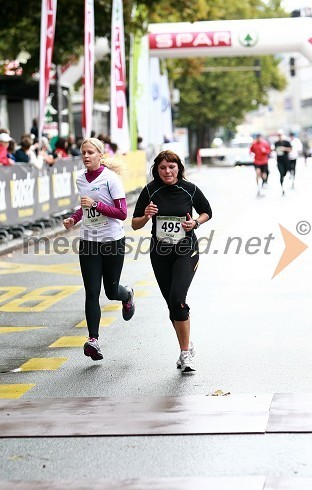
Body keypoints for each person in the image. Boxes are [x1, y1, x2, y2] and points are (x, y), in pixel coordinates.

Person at [131, 150, 212, 373]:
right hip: (160, 253)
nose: (168, 171)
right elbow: (135, 224)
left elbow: (207, 212)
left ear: (179, 168)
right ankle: (185, 346)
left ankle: (186, 354)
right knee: (172, 305)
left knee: (178, 298)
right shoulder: (150, 190)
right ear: (157, 170)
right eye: (163, 168)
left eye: (172, 167)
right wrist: (146, 215)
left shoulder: (190, 189)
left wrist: (195, 223)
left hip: (186, 251)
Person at [63, 137, 135, 361]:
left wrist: (96, 205)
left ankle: (128, 295)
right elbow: (84, 207)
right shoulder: (80, 179)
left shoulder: (110, 179)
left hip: (112, 240)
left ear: (100, 155)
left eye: (90, 153)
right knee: (92, 292)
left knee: (111, 292)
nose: (86, 156)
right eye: (83, 152)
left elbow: (122, 213)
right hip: (89, 241)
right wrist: (74, 219)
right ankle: (93, 340)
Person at [274, 131, 292, 195]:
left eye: (280, 135)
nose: (279, 136)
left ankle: (287, 181)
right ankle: (282, 187)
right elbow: (275, 151)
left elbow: (290, 149)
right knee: (281, 174)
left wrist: (284, 149)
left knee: (285, 173)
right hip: (279, 161)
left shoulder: (287, 142)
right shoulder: (276, 143)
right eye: (278, 135)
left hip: (286, 161)